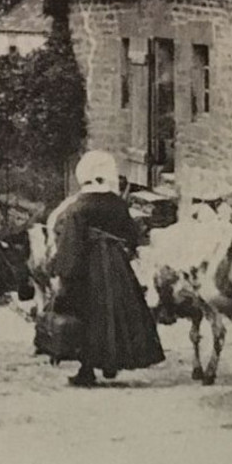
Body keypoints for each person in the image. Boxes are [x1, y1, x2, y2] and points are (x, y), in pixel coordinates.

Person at [45, 151, 164, 387]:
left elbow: (71, 242)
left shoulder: (78, 207)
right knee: (119, 311)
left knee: (88, 314)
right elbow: (132, 234)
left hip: (88, 266)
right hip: (115, 262)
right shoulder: (117, 204)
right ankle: (112, 363)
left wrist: (62, 270)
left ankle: (87, 370)